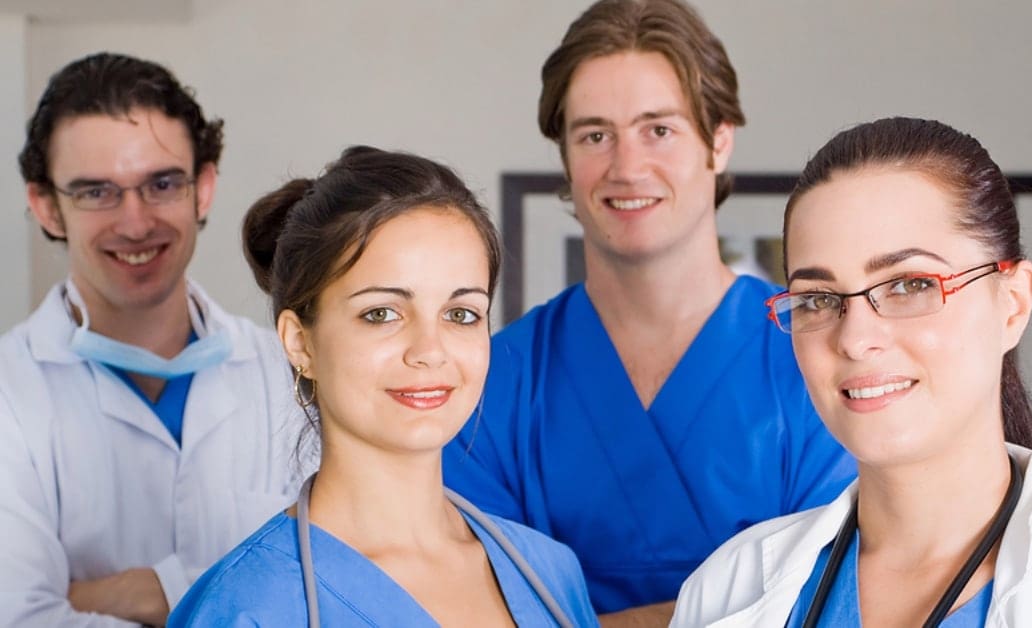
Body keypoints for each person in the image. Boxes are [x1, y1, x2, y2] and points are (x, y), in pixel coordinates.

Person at [671, 117, 1032, 627]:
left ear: (1012, 304)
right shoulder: (726, 591)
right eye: (819, 298)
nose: (854, 338)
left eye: (909, 285)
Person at [442, 0, 855, 624]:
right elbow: (461, 608)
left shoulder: (817, 358)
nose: (626, 166)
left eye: (657, 129)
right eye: (595, 135)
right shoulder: (493, 383)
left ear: (719, 141)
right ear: (565, 157)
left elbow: (845, 600)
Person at [169, 146, 599, 627]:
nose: (429, 350)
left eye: (461, 314)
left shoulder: (549, 574)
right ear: (299, 342)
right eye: (382, 313)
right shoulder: (250, 607)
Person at [0, 53, 302, 626]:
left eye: (161, 184)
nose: (135, 223)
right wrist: (234, 594)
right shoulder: (9, 392)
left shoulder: (287, 372)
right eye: (95, 192)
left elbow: (335, 589)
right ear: (47, 206)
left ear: (203, 188)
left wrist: (140, 592)